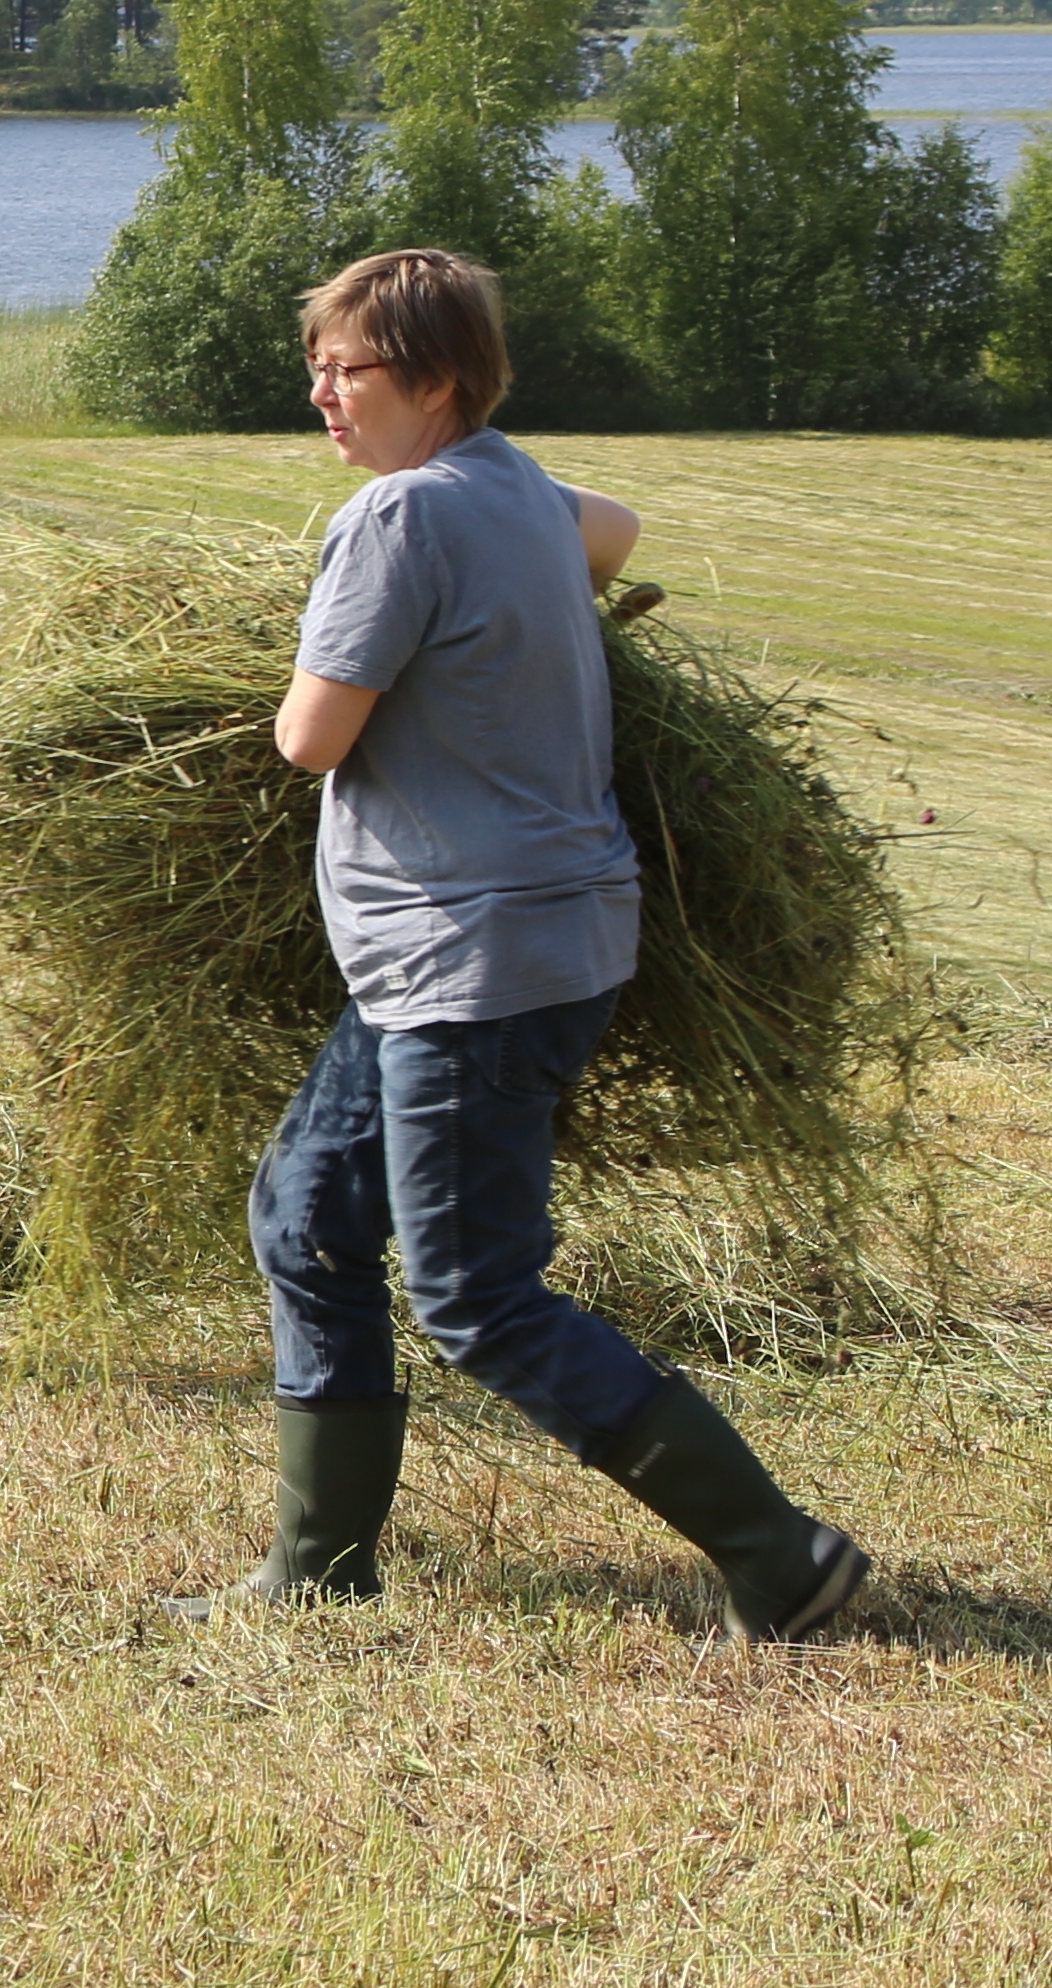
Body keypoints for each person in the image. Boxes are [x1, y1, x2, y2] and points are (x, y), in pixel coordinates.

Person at [195, 245, 870, 1639]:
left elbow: (308, 735)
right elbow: (614, 529)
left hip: (470, 962)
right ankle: (319, 1567)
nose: (323, 395)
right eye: (314, 368)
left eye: (350, 371)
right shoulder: (508, 484)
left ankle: (780, 1556)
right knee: (308, 1219)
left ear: (436, 380)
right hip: (477, 949)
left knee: (479, 1298)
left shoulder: (398, 522)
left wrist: (335, 643)